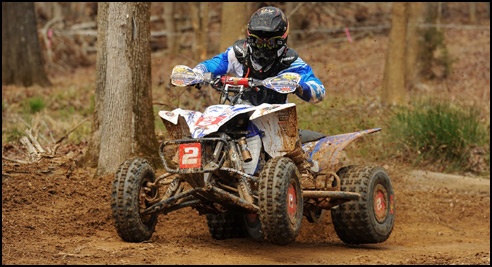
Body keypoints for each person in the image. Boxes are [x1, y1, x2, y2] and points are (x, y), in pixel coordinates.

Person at [192, 6, 325, 106]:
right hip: (240, 112)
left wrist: (299, 85)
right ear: (250, 37)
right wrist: (197, 72)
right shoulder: (238, 54)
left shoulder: (290, 62)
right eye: (258, 41)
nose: (263, 47)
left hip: (275, 120)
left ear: (282, 40)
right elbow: (210, 65)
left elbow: (319, 91)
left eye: (271, 42)